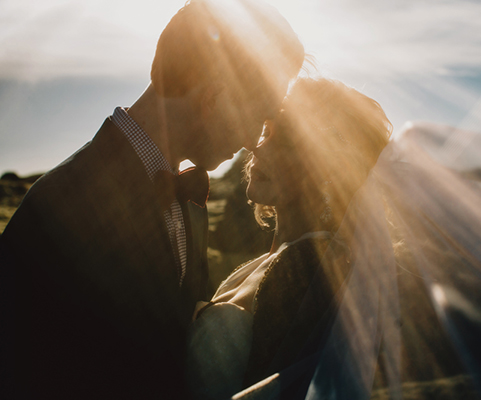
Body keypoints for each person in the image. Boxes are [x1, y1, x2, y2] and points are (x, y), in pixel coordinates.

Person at [0, 0, 304, 398]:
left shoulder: (190, 204)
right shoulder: (57, 209)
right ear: (215, 97)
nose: (251, 141)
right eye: (257, 116)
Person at [186, 77, 399, 399]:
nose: (257, 146)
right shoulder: (279, 259)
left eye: (285, 140)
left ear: (328, 168)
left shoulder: (305, 267)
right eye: (265, 130)